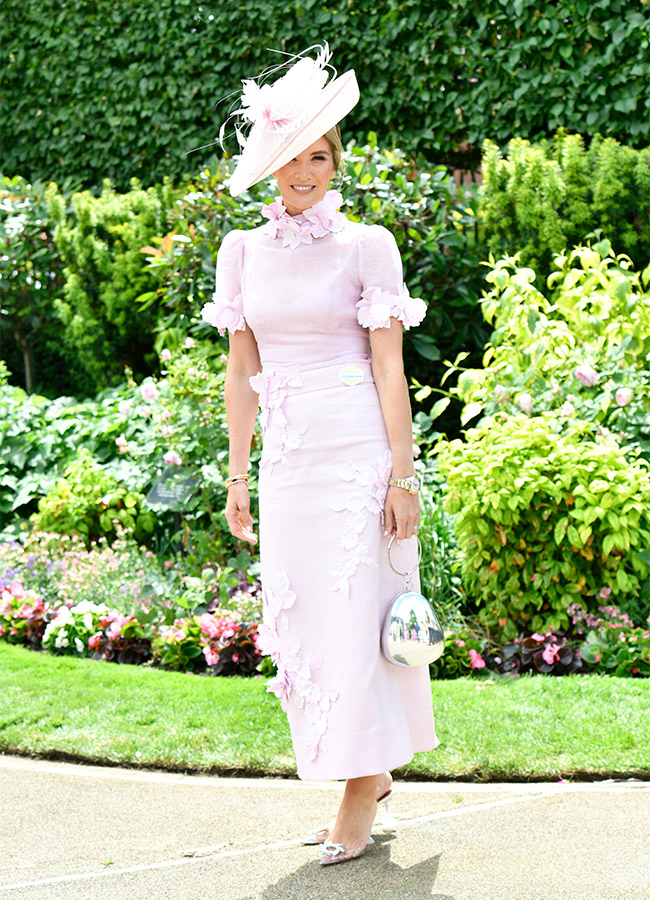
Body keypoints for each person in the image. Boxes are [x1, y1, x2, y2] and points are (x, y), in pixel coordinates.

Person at [202, 43, 438, 866]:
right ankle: (362, 775)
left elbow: (387, 364)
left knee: (354, 619)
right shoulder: (242, 253)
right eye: (292, 157)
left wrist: (403, 476)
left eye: (320, 156)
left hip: (356, 452)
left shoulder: (366, 244)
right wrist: (237, 472)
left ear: (335, 164)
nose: (305, 171)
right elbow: (241, 371)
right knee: (304, 619)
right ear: (268, 165)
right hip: (287, 462)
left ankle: (356, 792)